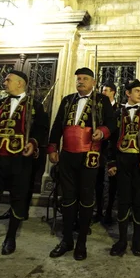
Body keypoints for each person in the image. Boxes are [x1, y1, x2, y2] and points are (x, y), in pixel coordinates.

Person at [0, 71, 48, 255]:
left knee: (18, 198)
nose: (4, 82)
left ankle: (10, 237)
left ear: (20, 83)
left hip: (19, 159)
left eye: (8, 80)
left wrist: (33, 142)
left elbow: (42, 129)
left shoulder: (35, 106)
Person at [48, 67, 116, 261]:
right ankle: (67, 239)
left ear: (93, 82)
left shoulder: (102, 100)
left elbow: (112, 123)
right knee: (68, 197)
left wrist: (102, 131)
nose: (80, 81)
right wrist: (53, 148)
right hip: (68, 155)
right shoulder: (67, 99)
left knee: (86, 198)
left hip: (90, 154)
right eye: (78, 78)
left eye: (85, 78)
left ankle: (82, 242)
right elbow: (57, 125)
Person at [107, 79, 140, 256]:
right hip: (122, 161)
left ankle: (137, 239)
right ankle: (121, 240)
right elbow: (111, 140)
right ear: (128, 93)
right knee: (123, 200)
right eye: (137, 91)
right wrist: (111, 162)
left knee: (139, 201)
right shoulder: (116, 113)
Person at [94, 81, 118, 224]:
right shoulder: (97, 108)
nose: (105, 92)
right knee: (98, 181)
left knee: (113, 183)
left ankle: (109, 211)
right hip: (99, 149)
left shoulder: (119, 109)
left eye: (108, 90)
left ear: (114, 92)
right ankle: (98, 211)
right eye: (103, 90)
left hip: (114, 150)